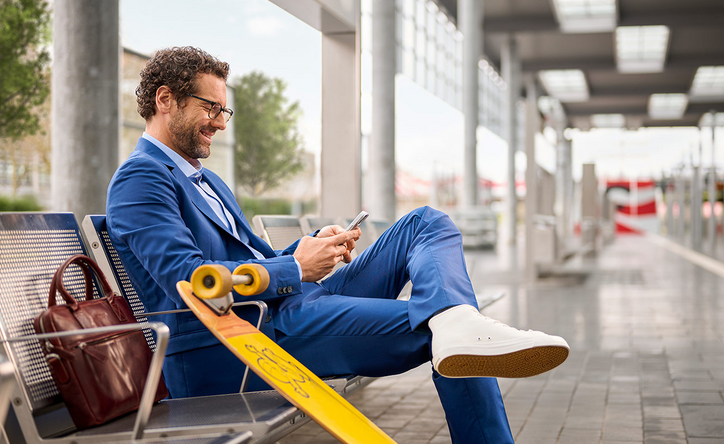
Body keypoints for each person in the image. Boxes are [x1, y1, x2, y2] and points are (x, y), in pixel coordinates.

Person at [107, 46, 569, 444]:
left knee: (425, 223)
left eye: (223, 111)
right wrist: (296, 270)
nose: (219, 123)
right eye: (211, 108)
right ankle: (461, 327)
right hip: (238, 343)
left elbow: (250, 262)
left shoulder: (206, 180)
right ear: (165, 100)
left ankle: (460, 319)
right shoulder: (140, 178)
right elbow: (189, 280)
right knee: (444, 334)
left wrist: (309, 250)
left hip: (287, 307)